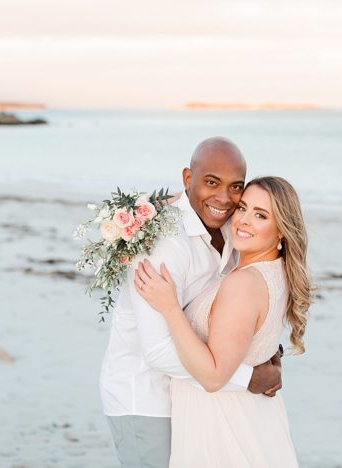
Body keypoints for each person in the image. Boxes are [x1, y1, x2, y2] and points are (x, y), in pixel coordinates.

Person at [99, 138, 283, 467]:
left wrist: (262, 346)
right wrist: (248, 378)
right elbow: (156, 352)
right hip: (145, 398)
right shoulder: (165, 245)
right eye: (211, 182)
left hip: (192, 398)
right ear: (188, 179)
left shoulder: (231, 227)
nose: (224, 198)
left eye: (236, 187)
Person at [135, 176, 312, 467]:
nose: (243, 221)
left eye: (261, 215)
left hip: (222, 430)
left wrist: (170, 308)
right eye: (242, 208)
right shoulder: (274, 271)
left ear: (281, 230)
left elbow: (214, 376)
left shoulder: (243, 283)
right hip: (253, 420)